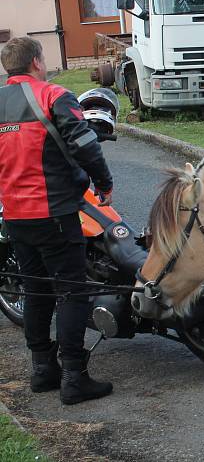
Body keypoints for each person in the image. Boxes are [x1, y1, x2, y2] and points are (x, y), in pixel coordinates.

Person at [0, 37, 114, 404]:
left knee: (36, 291)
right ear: (35, 61)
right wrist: (104, 182)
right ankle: (74, 378)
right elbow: (84, 145)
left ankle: (42, 371)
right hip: (55, 212)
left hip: (15, 216)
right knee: (71, 290)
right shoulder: (53, 95)